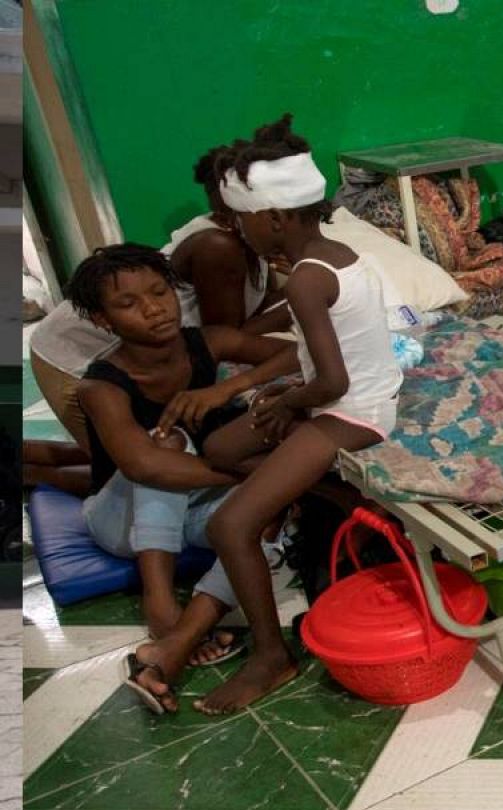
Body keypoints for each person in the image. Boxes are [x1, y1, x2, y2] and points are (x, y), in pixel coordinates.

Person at [180, 114, 402, 715]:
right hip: (335, 397)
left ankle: (270, 658)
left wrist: (286, 400)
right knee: (222, 450)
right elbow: (328, 360)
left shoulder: (306, 281)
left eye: (241, 219)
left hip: (352, 411)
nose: (236, 230)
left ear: (275, 218)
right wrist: (287, 397)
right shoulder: (335, 252)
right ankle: (318, 493)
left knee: (230, 526)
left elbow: (334, 380)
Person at [63, 244, 299, 712]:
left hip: (195, 508)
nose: (154, 310)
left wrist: (227, 387)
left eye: (160, 292)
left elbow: (295, 355)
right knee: (165, 442)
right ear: (102, 319)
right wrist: (252, 474)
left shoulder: (207, 342)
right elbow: (142, 467)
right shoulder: (101, 385)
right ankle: (160, 602)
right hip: (120, 520)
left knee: (271, 512)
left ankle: (177, 640)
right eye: (129, 304)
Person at [27, 140, 285, 453]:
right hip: (72, 352)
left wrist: (299, 281)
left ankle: (30, 460)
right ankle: (27, 466)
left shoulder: (252, 241)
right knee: (120, 469)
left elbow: (265, 305)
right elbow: (223, 341)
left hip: (138, 353)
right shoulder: (219, 248)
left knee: (148, 456)